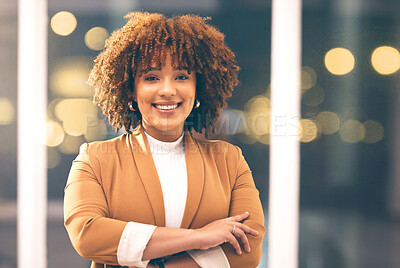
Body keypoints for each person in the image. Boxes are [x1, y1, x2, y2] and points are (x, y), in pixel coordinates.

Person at [64, 11, 265, 268]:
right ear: (131, 90)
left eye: (181, 76)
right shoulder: (94, 159)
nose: (168, 90)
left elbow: (248, 247)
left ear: (198, 87)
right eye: (151, 78)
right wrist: (200, 238)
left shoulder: (228, 160)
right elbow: (88, 235)